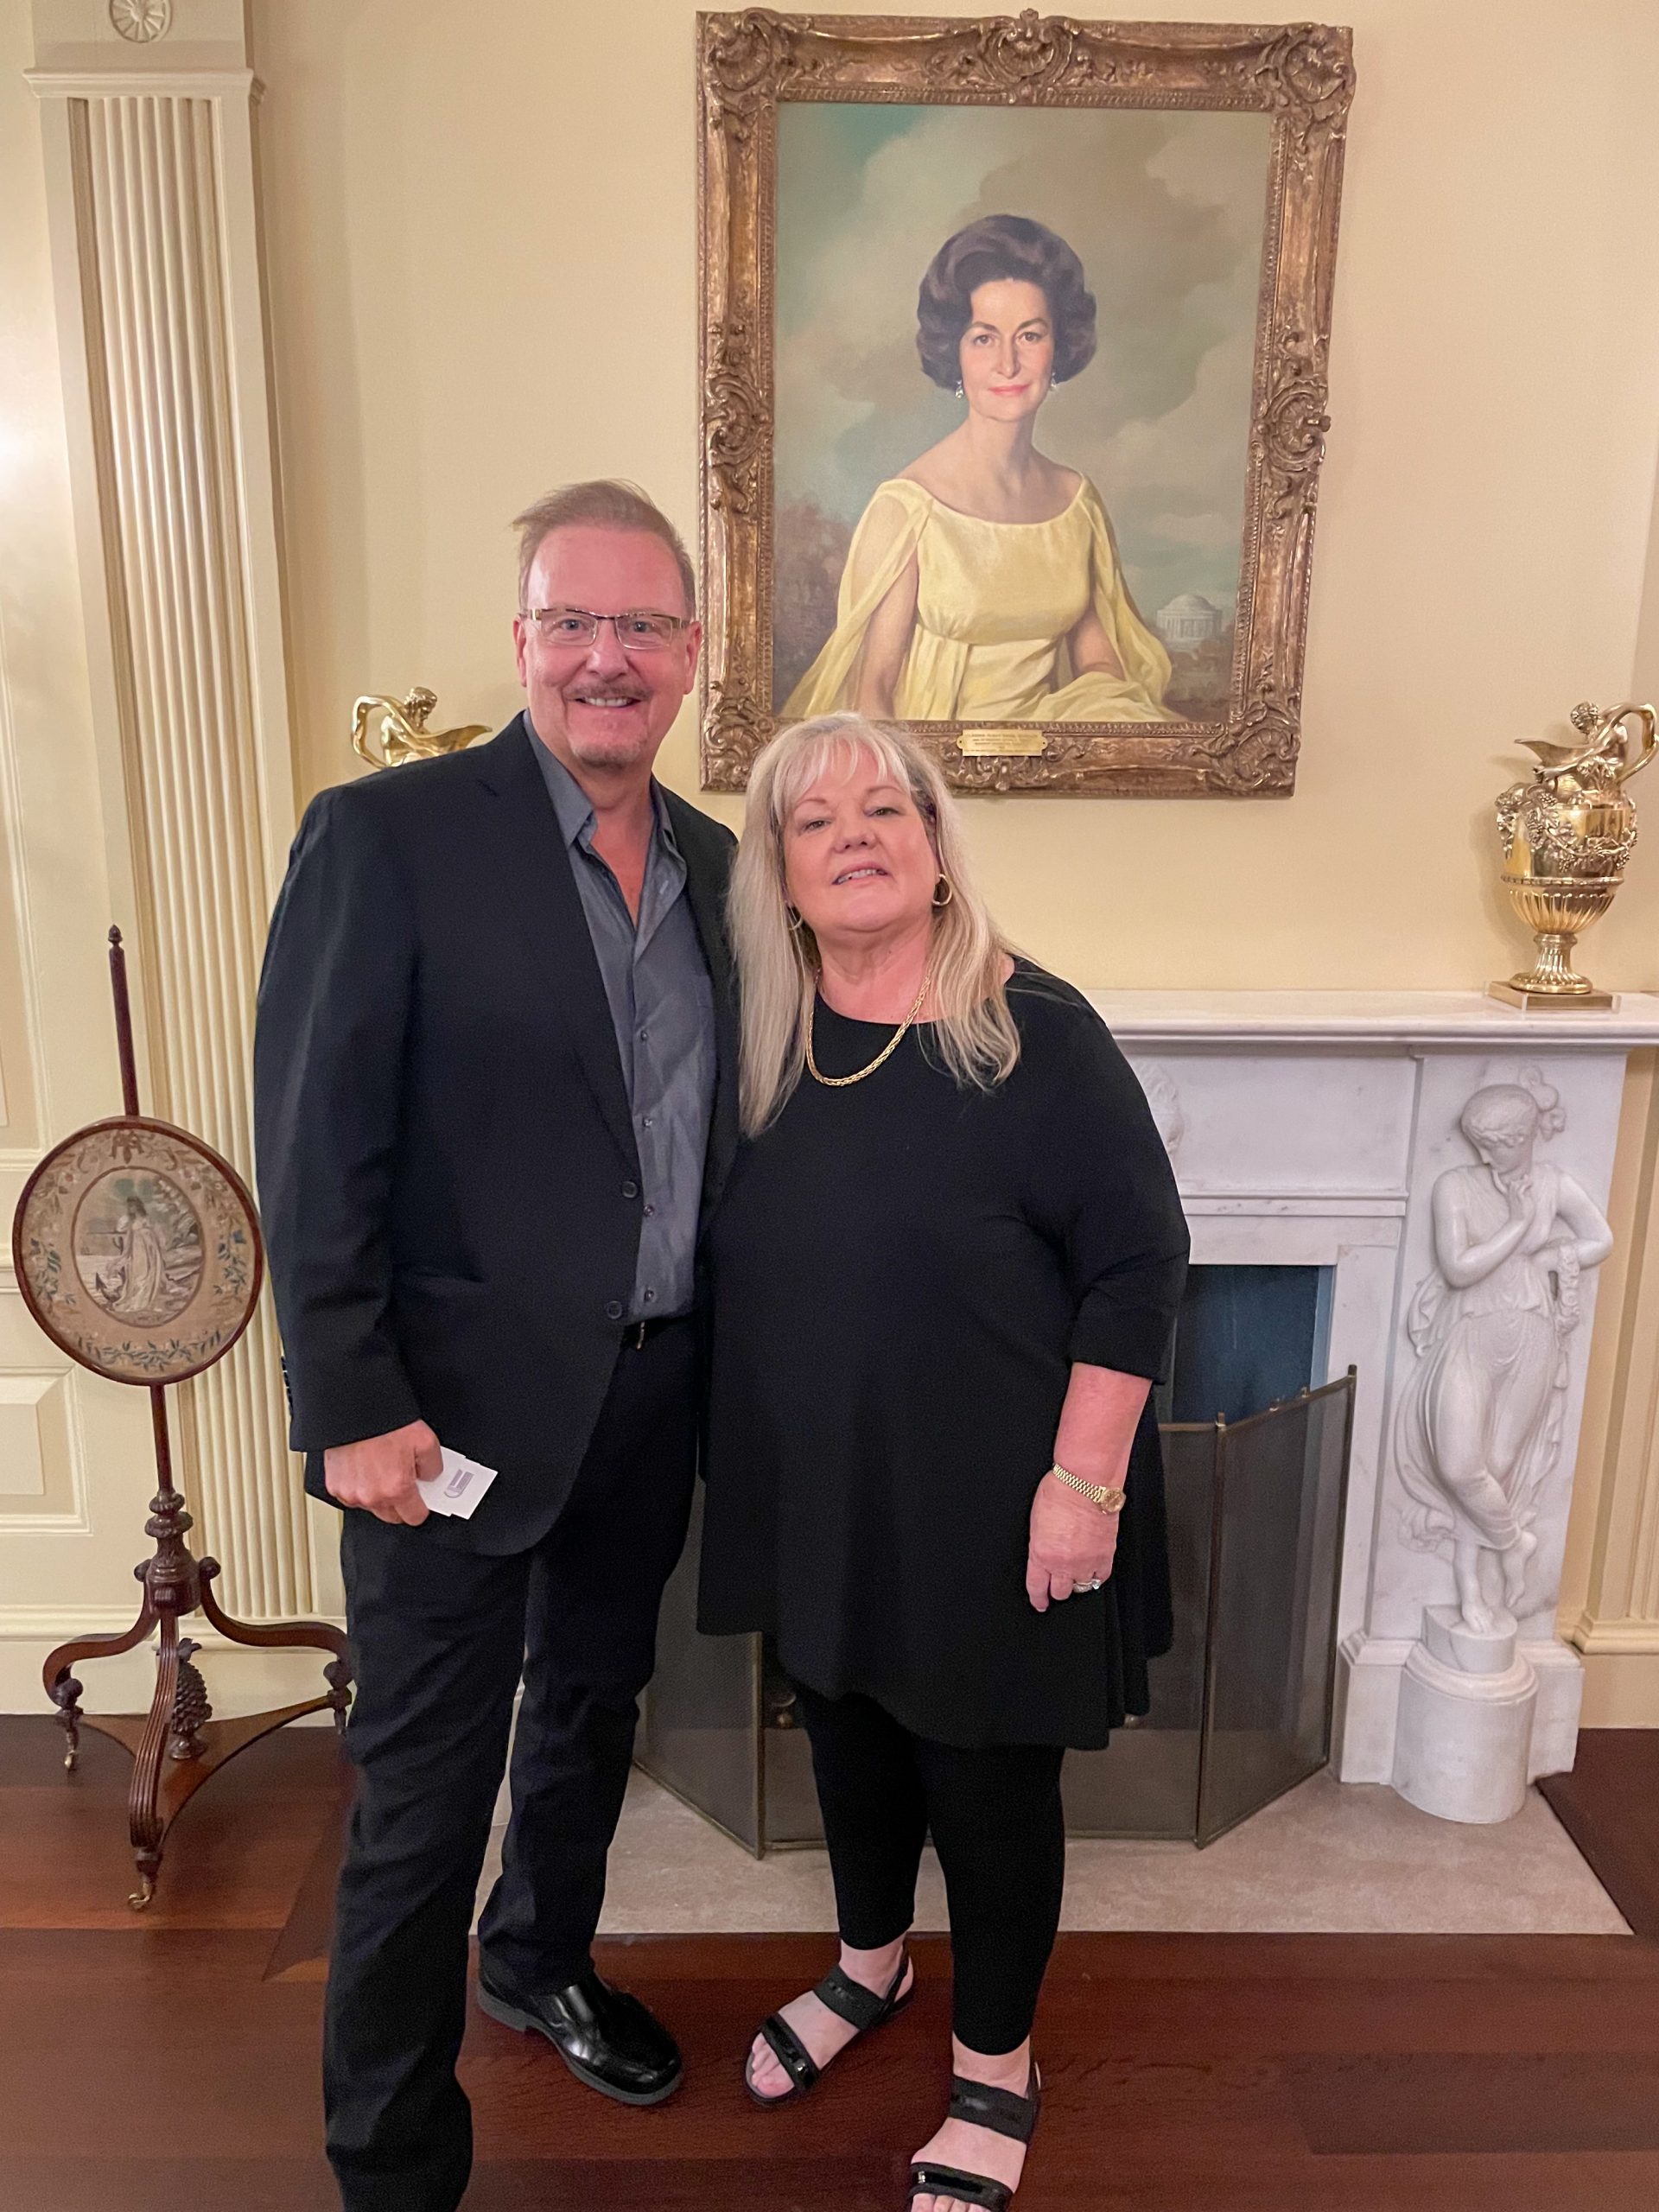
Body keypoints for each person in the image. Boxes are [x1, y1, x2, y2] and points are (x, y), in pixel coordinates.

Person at [253, 480, 737, 2212]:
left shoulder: (715, 864)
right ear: (523, 639)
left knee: (592, 1714)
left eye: (644, 627)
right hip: (439, 1421)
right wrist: (351, 1401)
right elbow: (315, 1142)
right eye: (572, 623)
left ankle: (539, 1957)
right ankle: (393, 2162)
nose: (609, 657)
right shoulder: (387, 836)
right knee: (419, 1797)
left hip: (647, 1397)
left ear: (692, 653)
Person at [698, 712, 1187, 2212]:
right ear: (779, 874)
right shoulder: (768, 1042)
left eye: (888, 808)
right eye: (815, 817)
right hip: (825, 1486)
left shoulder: (1036, 1030)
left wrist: (1083, 1485)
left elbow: (1139, 1260)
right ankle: (868, 1967)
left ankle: (997, 2064)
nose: (855, 833)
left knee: (981, 1791)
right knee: (842, 1736)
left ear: (934, 846)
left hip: (1000, 1499)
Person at [784, 214, 1173, 726]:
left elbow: (1099, 662)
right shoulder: (908, 507)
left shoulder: (1078, 502)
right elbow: (873, 689)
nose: (1008, 364)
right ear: (956, 354)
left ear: (1058, 350)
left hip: (1052, 764)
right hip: (934, 774)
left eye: (1030, 336)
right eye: (984, 339)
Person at [1395, 1077, 1613, 1633]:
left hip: (1532, 1334)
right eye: (1480, 1142)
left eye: (1499, 1143)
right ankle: (1514, 1541)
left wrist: (1551, 1257)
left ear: (1529, 1135)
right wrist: (1519, 1227)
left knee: (1497, 1468)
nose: (1486, 1154)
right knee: (1460, 1466)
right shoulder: (1454, 1186)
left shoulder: (1554, 1184)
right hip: (1468, 1333)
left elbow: (1601, 1238)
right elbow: (1458, 1267)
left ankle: (1472, 1590)